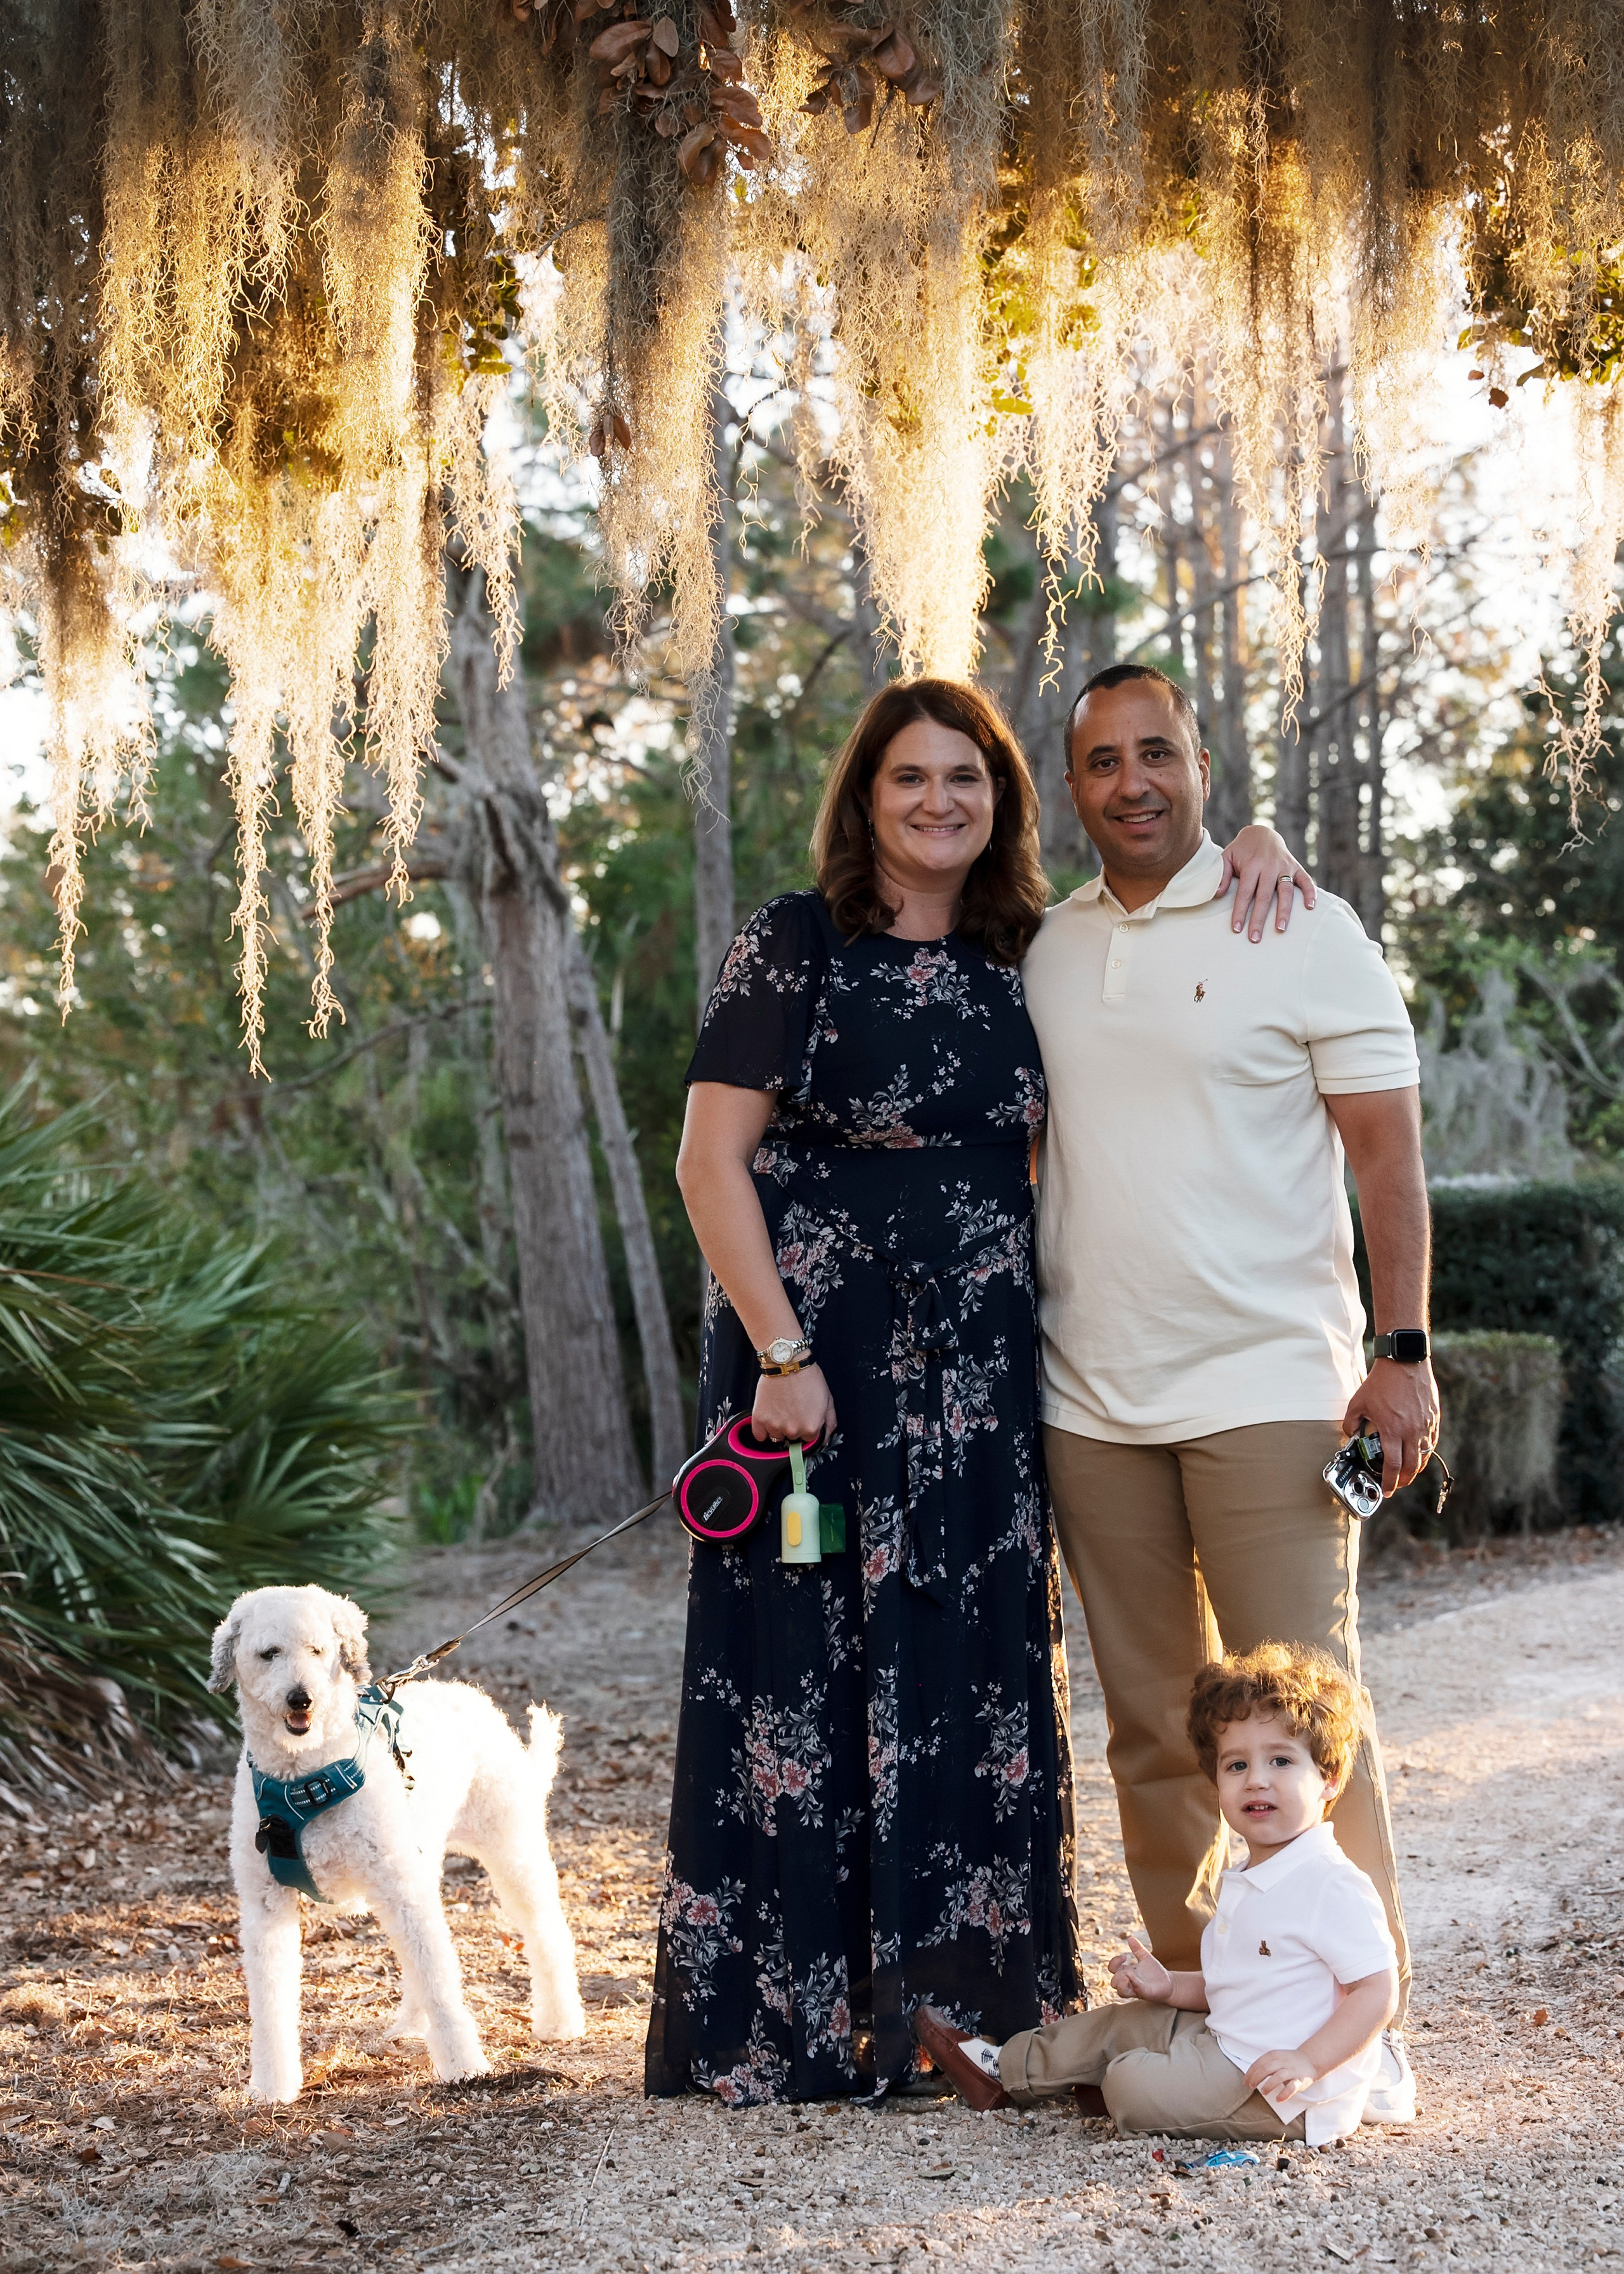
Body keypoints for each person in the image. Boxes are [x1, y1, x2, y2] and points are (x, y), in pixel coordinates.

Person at [645, 676, 1309, 2104]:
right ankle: (794, 2023)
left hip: (984, 1382)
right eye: (909, 777)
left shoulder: (1034, 949)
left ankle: (959, 2013)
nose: (938, 800)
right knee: (802, 1675)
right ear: (865, 796)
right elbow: (708, 1161)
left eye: (967, 776)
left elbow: (1159, 919)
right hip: (813, 1377)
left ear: (1002, 799)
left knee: (968, 1675)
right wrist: (780, 1356)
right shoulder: (795, 939)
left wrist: (1251, 839)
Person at [1020, 661, 1437, 2125]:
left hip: (1271, 1386)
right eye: (1100, 761)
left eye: (1156, 752)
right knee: (1154, 1734)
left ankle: (1356, 2039)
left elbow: (1384, 1152)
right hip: (1089, 1402)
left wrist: (1401, 1354)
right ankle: (1219, 2020)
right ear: (1070, 787)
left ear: (1199, 764)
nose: (1130, 781)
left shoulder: (1300, 924)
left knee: (1307, 1726)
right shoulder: (1047, 948)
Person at [915, 1643, 1399, 2145]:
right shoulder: (1253, 1875)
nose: (1256, 1780)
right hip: (1225, 2040)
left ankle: (1116, 2082)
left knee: (1129, 2082)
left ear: (1328, 1779)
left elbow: (1376, 1992)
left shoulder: (1331, 1883)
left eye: (1281, 1761)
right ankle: (1002, 2070)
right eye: (1236, 1766)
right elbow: (1238, 1986)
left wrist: (1308, 2061)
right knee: (1117, 2026)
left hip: (1277, 2092)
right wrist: (1169, 1988)